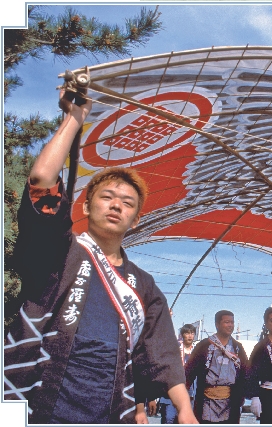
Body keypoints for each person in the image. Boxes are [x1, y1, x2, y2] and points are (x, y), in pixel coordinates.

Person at [3, 89, 197, 424]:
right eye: (107, 196)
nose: (117, 205)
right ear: (86, 204)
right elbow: (41, 181)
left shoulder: (145, 285)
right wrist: (75, 117)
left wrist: (185, 408)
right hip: (35, 400)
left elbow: (162, 351)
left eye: (127, 202)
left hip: (108, 409)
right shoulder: (61, 249)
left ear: (135, 219)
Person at [185, 310, 248, 423]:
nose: (230, 325)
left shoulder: (238, 348)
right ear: (217, 324)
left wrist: (251, 396)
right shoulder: (204, 345)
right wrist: (182, 397)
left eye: (232, 322)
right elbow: (189, 371)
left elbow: (246, 373)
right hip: (206, 400)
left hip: (230, 401)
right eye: (227, 322)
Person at [159, 323, 198, 424]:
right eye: (187, 333)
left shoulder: (196, 351)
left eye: (192, 333)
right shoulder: (174, 348)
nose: (190, 336)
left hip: (189, 393)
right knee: (169, 419)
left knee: (185, 421)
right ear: (182, 335)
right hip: (172, 392)